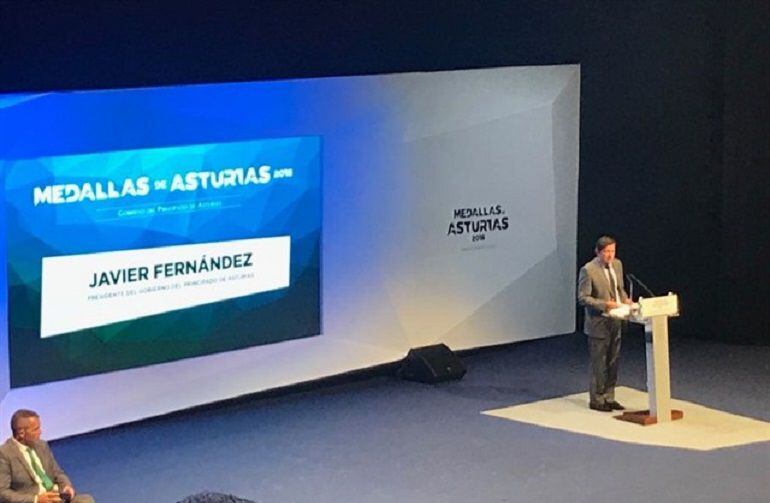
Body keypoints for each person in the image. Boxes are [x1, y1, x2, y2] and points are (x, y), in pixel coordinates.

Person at [577, 235, 633, 412]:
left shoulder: (617, 264)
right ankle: (597, 399)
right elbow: (583, 298)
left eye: (613, 251)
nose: (610, 255)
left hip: (616, 320)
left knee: (613, 361)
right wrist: (605, 305)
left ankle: (610, 396)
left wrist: (625, 301)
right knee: (599, 363)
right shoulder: (588, 270)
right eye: (607, 252)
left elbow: (619, 289)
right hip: (598, 323)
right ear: (598, 252)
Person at [0, 409, 94, 503]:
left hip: (56, 497)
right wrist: (36, 499)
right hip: (33, 500)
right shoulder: (5, 454)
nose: (40, 432)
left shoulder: (42, 445)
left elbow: (57, 473)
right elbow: (2, 492)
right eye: (36, 429)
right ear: (21, 433)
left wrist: (66, 486)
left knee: (86, 500)